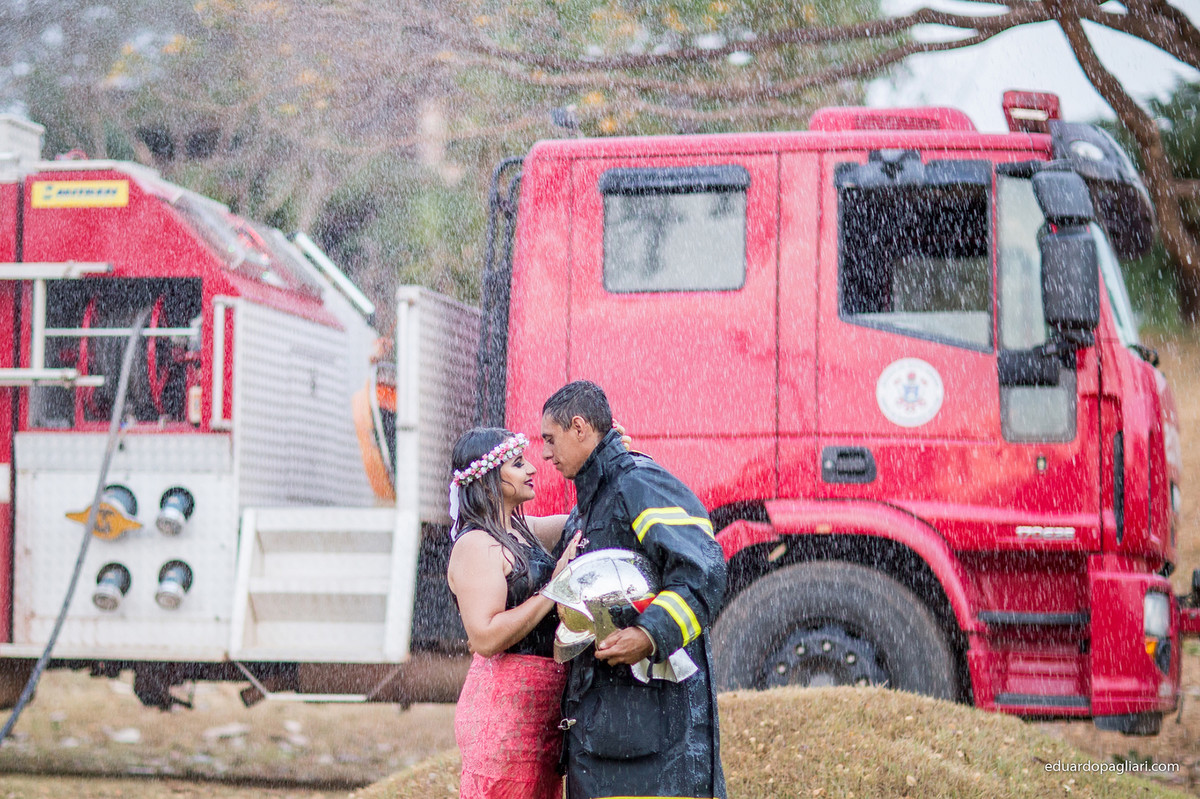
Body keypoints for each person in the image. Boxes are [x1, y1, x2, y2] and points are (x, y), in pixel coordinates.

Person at [540, 380, 728, 799]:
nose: (545, 454)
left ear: (579, 427)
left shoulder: (637, 484)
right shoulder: (590, 503)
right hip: (611, 734)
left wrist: (648, 636)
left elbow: (704, 571)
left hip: (655, 743)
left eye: (550, 439)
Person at [446, 427, 581, 799]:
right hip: (503, 718)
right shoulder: (477, 544)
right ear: (489, 477)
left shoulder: (523, 529)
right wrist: (554, 589)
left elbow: (581, 521)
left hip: (540, 713)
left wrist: (603, 459)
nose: (532, 469)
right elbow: (485, 637)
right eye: (518, 463)